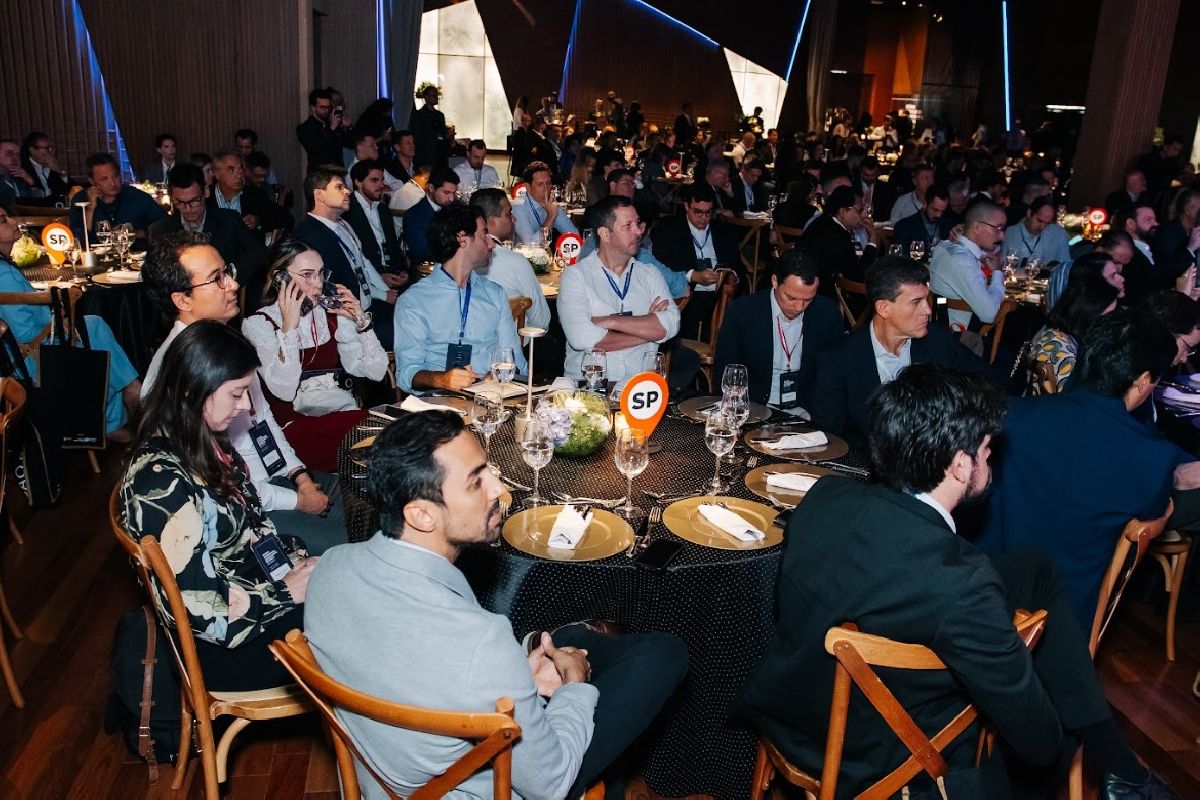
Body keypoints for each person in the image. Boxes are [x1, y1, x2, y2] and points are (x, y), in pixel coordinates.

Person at [738, 363, 1176, 799]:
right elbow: (1039, 745)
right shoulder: (964, 584)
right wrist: (1013, 649)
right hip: (869, 756)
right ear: (961, 466)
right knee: (1046, 745)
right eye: (986, 450)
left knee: (1033, 568)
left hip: (788, 709)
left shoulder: (825, 496)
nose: (992, 457)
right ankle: (1116, 765)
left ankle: (1116, 762)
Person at [304, 410, 687, 797]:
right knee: (664, 654)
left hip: (380, 775)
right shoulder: (481, 640)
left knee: (582, 646)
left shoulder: (330, 568)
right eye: (476, 482)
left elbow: (408, 662)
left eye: (490, 471)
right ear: (421, 515)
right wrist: (575, 686)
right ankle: (570, 648)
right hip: (483, 787)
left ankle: (566, 638)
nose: (498, 488)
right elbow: (550, 784)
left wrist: (513, 678)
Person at [121, 321, 316, 691]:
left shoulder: (202, 442)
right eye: (237, 394)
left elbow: (249, 532)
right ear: (193, 389)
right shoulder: (159, 484)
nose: (246, 406)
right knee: (356, 624)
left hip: (252, 603)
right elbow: (204, 612)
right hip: (225, 649)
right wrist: (286, 592)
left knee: (350, 586)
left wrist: (294, 566)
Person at [977, 310, 1200, 632]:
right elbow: (1146, 523)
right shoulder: (1152, 458)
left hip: (981, 597)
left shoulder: (1012, 414)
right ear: (1142, 381)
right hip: (1061, 622)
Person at [140, 232, 340, 553]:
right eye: (217, 279)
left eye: (228, 271)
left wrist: (299, 474)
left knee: (364, 500)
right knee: (347, 543)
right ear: (183, 300)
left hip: (276, 478)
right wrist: (298, 500)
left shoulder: (224, 341)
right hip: (244, 513)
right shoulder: (176, 375)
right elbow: (223, 486)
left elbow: (264, 417)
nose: (233, 284)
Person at [810, 257, 989, 449]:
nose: (928, 310)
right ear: (883, 308)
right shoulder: (838, 360)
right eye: (916, 302)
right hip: (867, 463)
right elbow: (829, 440)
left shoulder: (938, 340)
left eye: (926, 299)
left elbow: (989, 381)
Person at [242, 238, 387, 472]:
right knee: (383, 431)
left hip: (341, 415)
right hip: (294, 429)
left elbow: (376, 371)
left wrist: (361, 322)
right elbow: (284, 390)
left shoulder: (330, 314)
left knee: (389, 432)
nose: (318, 284)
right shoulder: (259, 324)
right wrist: (289, 330)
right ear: (280, 278)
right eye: (307, 275)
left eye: (320, 273)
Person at [0, 207, 140, 439]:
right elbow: (23, 334)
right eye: (3, 220)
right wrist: (57, 321)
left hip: (21, 356)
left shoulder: (6, 268)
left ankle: (119, 409)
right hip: (30, 361)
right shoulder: (4, 275)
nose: (14, 222)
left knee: (94, 333)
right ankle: (130, 392)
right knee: (94, 328)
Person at [393, 203, 526, 394]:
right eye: (484, 235)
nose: (491, 243)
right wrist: (441, 379)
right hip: (438, 400)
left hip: (491, 396)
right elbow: (406, 373)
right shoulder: (414, 301)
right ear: (462, 239)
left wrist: (494, 376)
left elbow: (516, 361)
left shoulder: (494, 293)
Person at [559, 196, 679, 385]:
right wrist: (648, 331)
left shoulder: (649, 274)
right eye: (628, 226)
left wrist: (611, 321)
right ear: (605, 234)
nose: (638, 231)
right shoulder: (576, 276)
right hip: (589, 385)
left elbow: (671, 324)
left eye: (637, 223)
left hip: (639, 386)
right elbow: (580, 337)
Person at [713, 247, 844, 413]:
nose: (799, 307)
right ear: (775, 281)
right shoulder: (743, 312)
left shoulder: (827, 313)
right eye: (791, 298)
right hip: (755, 409)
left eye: (808, 299)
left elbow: (835, 377)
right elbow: (725, 373)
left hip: (806, 411)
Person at [294, 168, 394, 349]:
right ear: (319, 195)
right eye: (339, 187)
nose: (347, 191)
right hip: (342, 320)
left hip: (367, 307)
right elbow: (321, 289)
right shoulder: (307, 235)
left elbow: (362, 263)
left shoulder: (343, 224)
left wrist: (384, 293)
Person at [149, 164, 268, 304]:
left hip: (223, 298)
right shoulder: (161, 230)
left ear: (205, 192)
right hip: (182, 303)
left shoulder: (228, 220)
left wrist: (229, 275)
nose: (188, 209)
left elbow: (257, 252)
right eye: (180, 202)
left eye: (195, 200)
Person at [651, 183, 739, 339]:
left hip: (720, 294)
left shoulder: (723, 230)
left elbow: (737, 265)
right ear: (686, 206)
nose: (704, 218)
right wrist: (693, 275)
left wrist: (731, 276)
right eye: (698, 212)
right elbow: (662, 264)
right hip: (686, 293)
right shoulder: (669, 229)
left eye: (708, 212)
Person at [468, 188, 551, 331]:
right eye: (508, 214)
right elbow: (541, 321)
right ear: (490, 221)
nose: (514, 219)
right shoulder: (515, 262)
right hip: (510, 342)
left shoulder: (456, 259)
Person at [1027, 270, 1119, 395]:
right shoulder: (1063, 355)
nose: (1112, 321)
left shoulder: (1057, 334)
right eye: (1109, 315)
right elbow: (1072, 403)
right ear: (1087, 314)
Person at [929, 201, 1007, 331]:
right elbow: (989, 314)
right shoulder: (962, 260)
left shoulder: (945, 246)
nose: (1002, 236)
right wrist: (997, 273)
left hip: (940, 326)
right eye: (998, 228)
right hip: (960, 335)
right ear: (977, 227)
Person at [344, 159, 412, 303]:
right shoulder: (347, 211)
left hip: (392, 276)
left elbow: (393, 246)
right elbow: (352, 258)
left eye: (382, 181)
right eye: (374, 180)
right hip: (366, 285)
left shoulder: (383, 210)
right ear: (358, 182)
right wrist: (379, 278)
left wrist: (402, 271)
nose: (381, 185)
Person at [68, 152, 166, 246]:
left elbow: (165, 226)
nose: (113, 183)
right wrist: (90, 209)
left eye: (115, 176)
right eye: (104, 179)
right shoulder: (81, 200)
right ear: (92, 181)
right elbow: (78, 240)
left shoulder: (136, 196)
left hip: (135, 253)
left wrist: (135, 233)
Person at [802, 185, 880, 295]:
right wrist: (872, 240)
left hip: (809, 286)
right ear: (843, 211)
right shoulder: (839, 236)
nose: (864, 215)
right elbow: (859, 275)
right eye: (860, 210)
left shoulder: (822, 221)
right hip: (822, 294)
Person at [208, 150, 292, 237]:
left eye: (241, 169)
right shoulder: (206, 197)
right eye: (231, 170)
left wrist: (259, 221)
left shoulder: (254, 194)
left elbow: (286, 218)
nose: (239, 175)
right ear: (216, 174)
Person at [401, 166, 459, 265]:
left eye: (454, 193)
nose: (451, 198)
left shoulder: (455, 208)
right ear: (431, 188)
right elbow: (421, 253)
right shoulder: (414, 216)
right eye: (446, 193)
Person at [512, 161, 578, 246]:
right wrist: (550, 217)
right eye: (540, 184)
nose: (546, 189)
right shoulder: (518, 206)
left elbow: (574, 235)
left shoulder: (551, 203)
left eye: (548, 183)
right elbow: (530, 245)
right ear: (527, 187)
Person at [1002, 196, 1072, 269]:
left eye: (1047, 223)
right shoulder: (1010, 233)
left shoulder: (1059, 234)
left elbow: (1065, 267)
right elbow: (1004, 266)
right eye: (1039, 221)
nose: (1043, 227)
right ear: (1029, 213)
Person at [296, 88, 347, 175]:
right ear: (313, 107)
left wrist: (348, 127)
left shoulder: (332, 123)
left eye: (328, 107)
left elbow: (349, 143)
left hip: (337, 173)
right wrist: (332, 129)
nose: (326, 111)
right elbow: (316, 148)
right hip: (319, 175)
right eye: (323, 107)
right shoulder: (304, 128)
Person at [1151, 189, 1200, 278]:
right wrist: (1190, 249)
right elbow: (1168, 269)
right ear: (1188, 210)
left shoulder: (1194, 231)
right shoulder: (1167, 233)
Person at [892, 184, 952, 256]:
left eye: (942, 211)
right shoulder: (904, 226)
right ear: (925, 204)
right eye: (935, 210)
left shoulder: (948, 226)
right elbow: (900, 258)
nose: (938, 215)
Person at [20, 132, 74, 202]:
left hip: (57, 206)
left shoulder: (53, 167)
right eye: (46, 148)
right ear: (32, 150)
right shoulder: (24, 168)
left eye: (51, 148)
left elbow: (72, 190)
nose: (50, 151)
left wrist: (60, 171)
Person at [408, 85, 448, 169]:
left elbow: (442, 133)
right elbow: (417, 136)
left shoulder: (439, 115)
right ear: (426, 97)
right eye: (434, 95)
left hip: (440, 154)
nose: (436, 98)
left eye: (436, 96)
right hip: (426, 155)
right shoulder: (418, 116)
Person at [854, 156, 894, 220]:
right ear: (861, 173)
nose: (869, 178)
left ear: (878, 173)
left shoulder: (885, 189)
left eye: (873, 175)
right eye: (866, 175)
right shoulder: (852, 186)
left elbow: (887, 213)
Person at [0, 139, 34, 211]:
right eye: (9, 153)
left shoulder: (20, 181)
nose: (16, 158)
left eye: (18, 154)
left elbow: (38, 207)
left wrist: (32, 183)